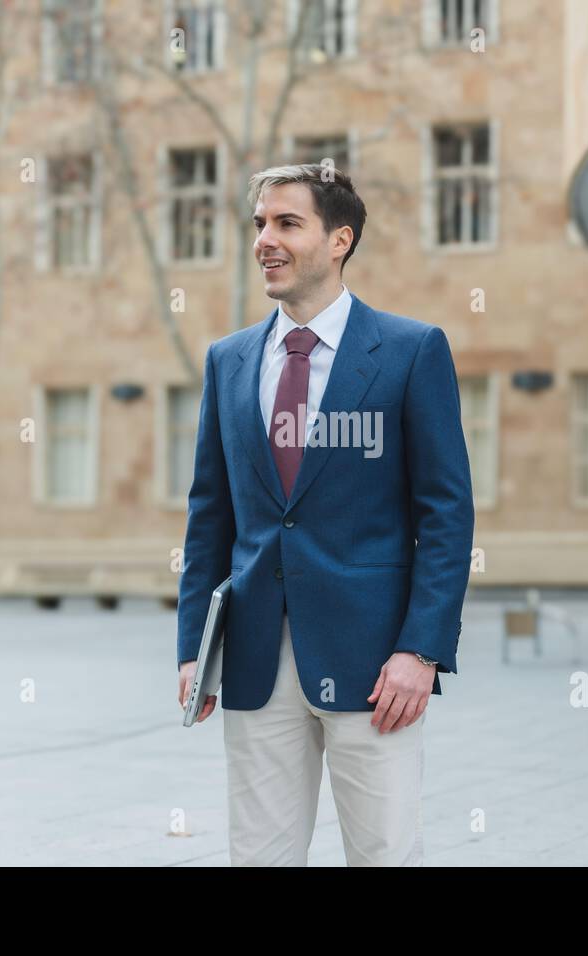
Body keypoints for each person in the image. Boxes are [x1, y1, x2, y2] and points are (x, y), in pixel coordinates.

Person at [176, 163, 474, 866]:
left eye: (286, 223)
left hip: (376, 665)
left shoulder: (411, 352)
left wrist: (421, 651)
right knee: (261, 856)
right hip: (252, 660)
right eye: (258, 225)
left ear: (339, 240)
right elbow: (209, 514)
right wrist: (195, 646)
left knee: (383, 854)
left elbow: (446, 513)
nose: (265, 241)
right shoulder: (229, 361)